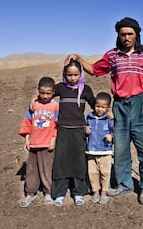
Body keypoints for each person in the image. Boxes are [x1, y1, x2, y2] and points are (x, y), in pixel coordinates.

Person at [65, 17, 143, 204]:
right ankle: (124, 184)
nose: (126, 37)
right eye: (123, 34)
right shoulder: (112, 56)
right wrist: (79, 58)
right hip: (120, 105)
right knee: (120, 148)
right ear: (118, 36)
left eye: (130, 33)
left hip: (141, 103)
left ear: (137, 34)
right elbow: (94, 70)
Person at [51, 59, 95, 207]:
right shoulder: (61, 88)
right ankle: (59, 193)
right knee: (61, 161)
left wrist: (107, 113)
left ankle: (79, 192)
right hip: (63, 130)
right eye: (69, 74)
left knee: (79, 161)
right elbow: (46, 96)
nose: (73, 78)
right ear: (65, 74)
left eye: (76, 74)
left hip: (79, 131)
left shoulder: (86, 89)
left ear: (80, 74)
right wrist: (34, 99)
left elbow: (96, 106)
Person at [18, 76, 59, 208]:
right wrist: (27, 138)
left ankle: (48, 192)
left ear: (53, 92)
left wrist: (54, 139)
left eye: (48, 93)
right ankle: (30, 192)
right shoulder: (33, 105)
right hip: (34, 143)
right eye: (42, 93)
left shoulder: (55, 106)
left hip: (48, 144)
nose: (45, 96)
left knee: (47, 169)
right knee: (31, 169)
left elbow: (57, 125)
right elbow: (27, 122)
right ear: (38, 91)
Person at [85, 92, 114, 205]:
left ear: (108, 108)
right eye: (97, 106)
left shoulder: (109, 119)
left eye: (103, 107)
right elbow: (86, 129)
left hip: (105, 150)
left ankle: (104, 192)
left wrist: (111, 136)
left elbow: (114, 130)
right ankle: (95, 191)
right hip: (91, 150)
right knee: (92, 172)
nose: (100, 109)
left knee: (105, 172)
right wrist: (86, 131)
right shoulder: (89, 117)